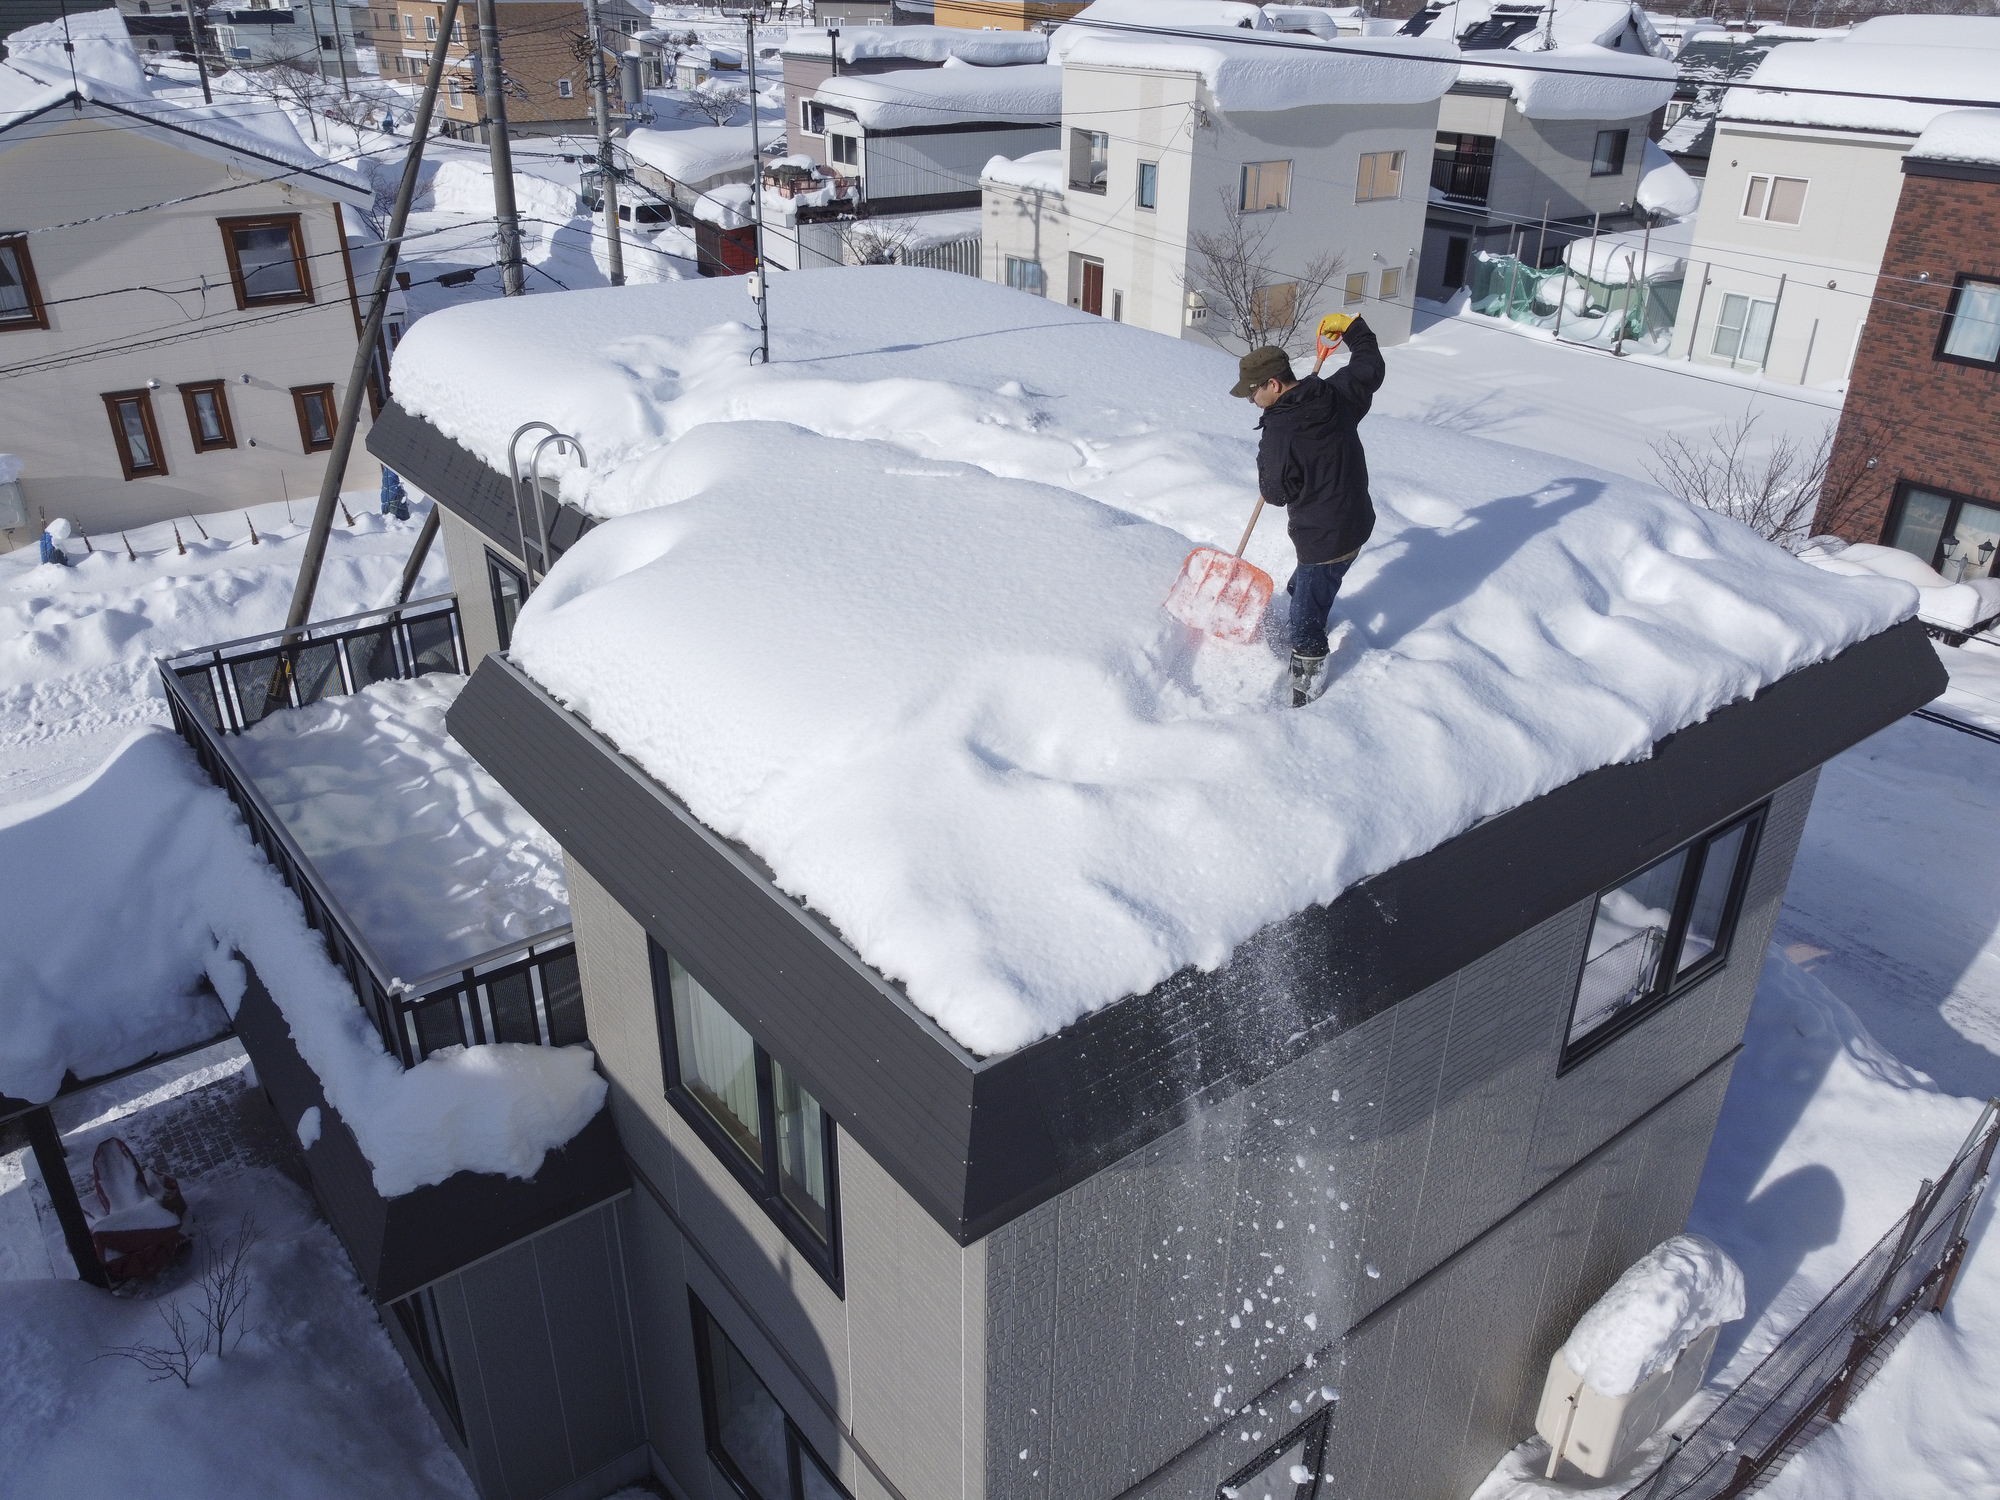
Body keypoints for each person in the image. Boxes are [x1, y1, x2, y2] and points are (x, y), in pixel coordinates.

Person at [1230, 314, 1386, 707]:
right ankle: (1309, 612)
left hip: (1323, 538)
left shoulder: (1281, 433)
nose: (1251, 400)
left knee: (1306, 621)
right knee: (1303, 589)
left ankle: (1306, 688)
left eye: (1253, 392)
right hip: (1356, 521)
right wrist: (1354, 330)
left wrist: (1267, 457)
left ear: (1273, 384)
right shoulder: (1334, 394)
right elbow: (1369, 367)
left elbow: (1277, 493)